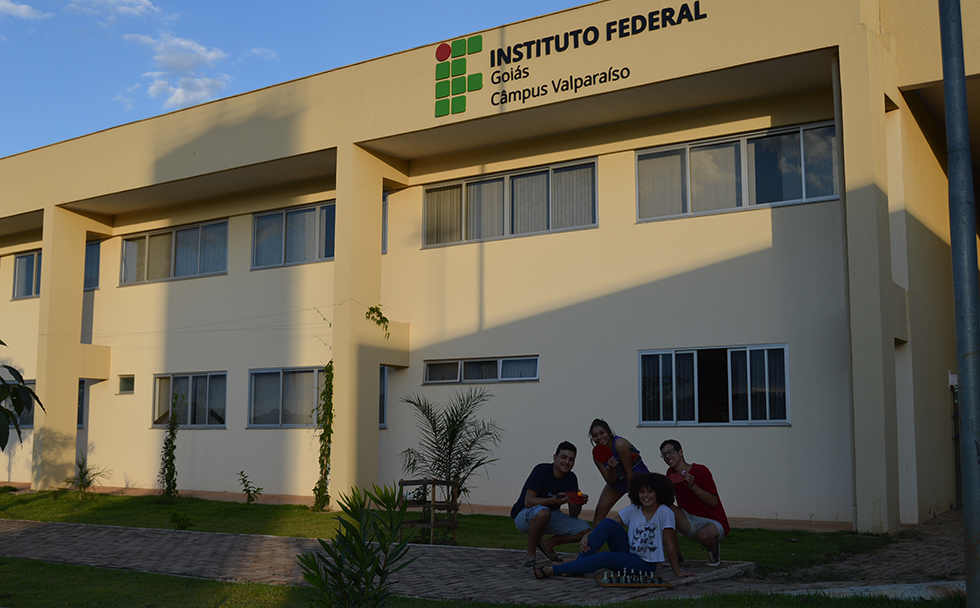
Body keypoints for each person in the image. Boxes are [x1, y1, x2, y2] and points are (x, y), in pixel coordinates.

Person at [532, 472, 693, 580]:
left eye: (650, 491)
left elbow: (669, 543)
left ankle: (552, 570)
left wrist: (677, 571)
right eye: (642, 491)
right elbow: (607, 527)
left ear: (658, 492)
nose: (645, 496)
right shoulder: (633, 509)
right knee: (608, 523)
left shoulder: (665, 512)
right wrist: (588, 535)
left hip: (644, 565)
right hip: (628, 553)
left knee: (605, 557)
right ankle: (577, 567)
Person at [511, 441, 591, 567]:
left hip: (550, 514)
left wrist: (579, 501)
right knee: (544, 512)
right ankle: (530, 555)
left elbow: (574, 514)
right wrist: (552, 501)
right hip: (524, 514)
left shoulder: (571, 478)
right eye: (563, 457)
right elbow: (528, 501)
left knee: (585, 530)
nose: (567, 462)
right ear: (555, 457)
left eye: (571, 459)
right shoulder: (542, 470)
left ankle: (548, 544)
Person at [660, 439, 730, 567]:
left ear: (680, 452)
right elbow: (668, 501)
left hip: (713, 521)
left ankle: (713, 548)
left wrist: (693, 487)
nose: (667, 456)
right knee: (665, 510)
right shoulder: (670, 474)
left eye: (670, 452)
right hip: (688, 519)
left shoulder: (701, 470)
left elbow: (713, 502)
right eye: (664, 455)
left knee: (703, 535)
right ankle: (676, 555)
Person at [588, 418, 650, 526]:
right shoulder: (597, 456)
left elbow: (629, 472)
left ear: (609, 433)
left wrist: (633, 496)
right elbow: (611, 482)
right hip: (619, 480)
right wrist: (611, 469)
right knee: (600, 509)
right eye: (595, 435)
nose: (599, 437)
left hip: (637, 476)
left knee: (640, 510)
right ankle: (592, 540)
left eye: (602, 433)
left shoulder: (620, 444)